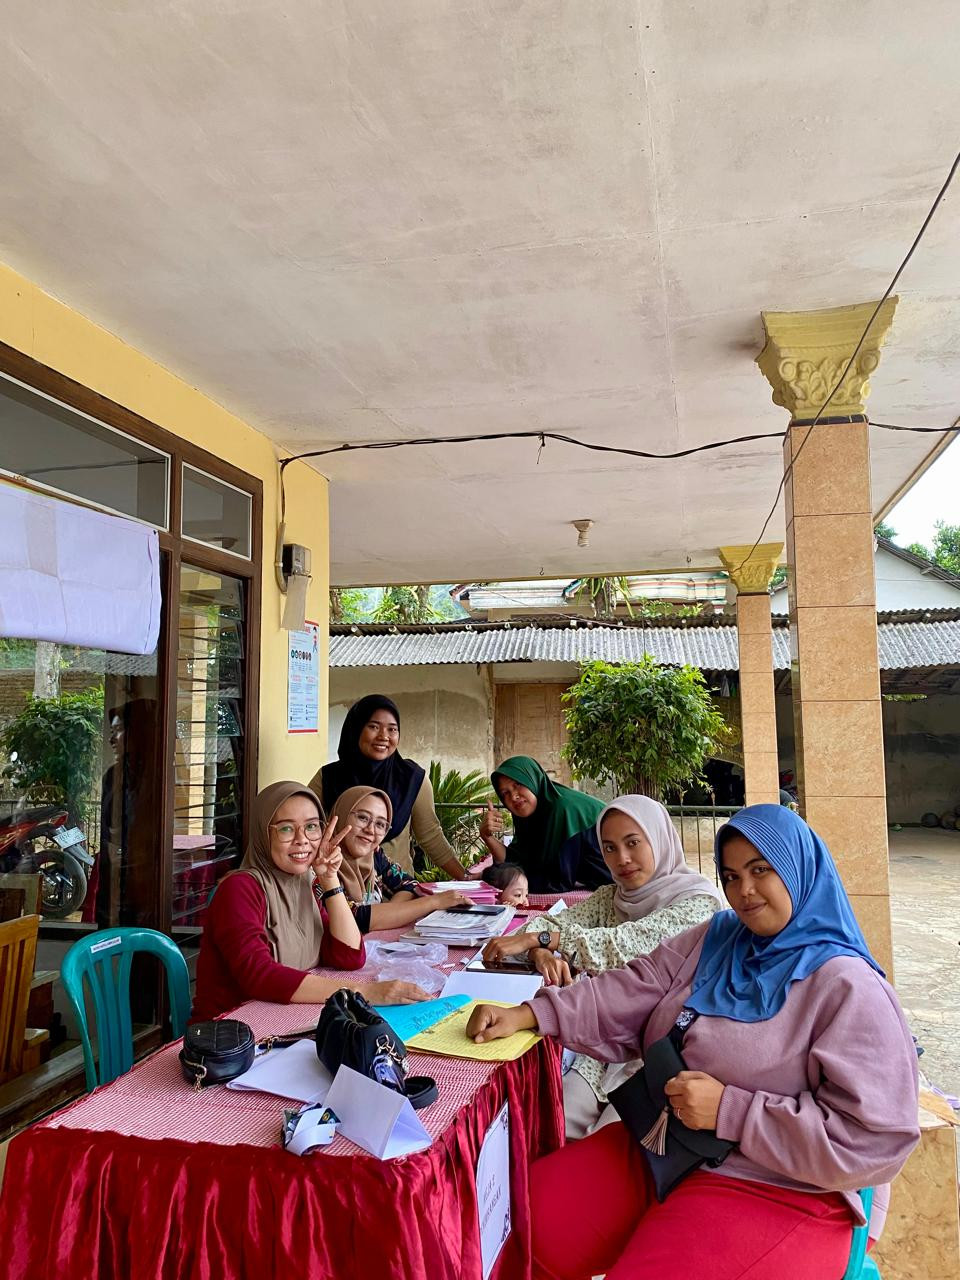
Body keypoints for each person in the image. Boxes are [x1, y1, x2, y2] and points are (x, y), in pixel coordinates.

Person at [466, 804, 920, 1279]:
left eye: (761, 870)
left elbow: (874, 1138)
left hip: (777, 1183)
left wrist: (732, 1110)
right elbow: (637, 985)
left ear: (799, 869)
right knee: (514, 1224)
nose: (743, 891)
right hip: (667, 1141)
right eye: (730, 875)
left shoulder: (849, 988)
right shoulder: (722, 936)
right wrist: (532, 1013)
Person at [482, 795, 724, 1137]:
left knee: (614, 1149)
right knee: (553, 1124)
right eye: (609, 848)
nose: (621, 859)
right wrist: (540, 952)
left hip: (664, 1054)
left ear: (659, 838)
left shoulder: (700, 903)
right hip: (603, 1043)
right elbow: (528, 933)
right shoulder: (611, 897)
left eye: (633, 843)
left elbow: (630, 946)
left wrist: (546, 940)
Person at [192, 781, 430, 1021]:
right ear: (263, 832)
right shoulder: (239, 889)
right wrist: (363, 992)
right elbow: (259, 975)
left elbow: (349, 956)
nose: (302, 840)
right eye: (286, 829)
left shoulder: (307, 883)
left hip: (286, 1019)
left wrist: (329, 880)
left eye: (312, 827)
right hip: (230, 1037)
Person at [312, 695, 466, 880]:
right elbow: (305, 826)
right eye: (373, 727)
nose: (384, 736)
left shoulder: (412, 780)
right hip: (339, 891)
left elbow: (431, 837)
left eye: (392, 729)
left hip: (398, 892)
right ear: (355, 729)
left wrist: (466, 878)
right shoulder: (329, 777)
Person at [330, 784, 471, 932]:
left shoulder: (374, 856)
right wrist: (433, 901)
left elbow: (409, 884)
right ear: (342, 814)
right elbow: (355, 918)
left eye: (380, 824)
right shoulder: (324, 864)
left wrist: (389, 913)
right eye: (363, 818)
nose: (370, 830)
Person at [478, 756, 611, 893]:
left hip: (620, 883)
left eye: (518, 785)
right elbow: (517, 862)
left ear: (533, 780)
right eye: (505, 793)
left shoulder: (562, 809)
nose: (513, 797)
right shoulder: (532, 815)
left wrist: (501, 879)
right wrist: (487, 836)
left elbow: (555, 881)